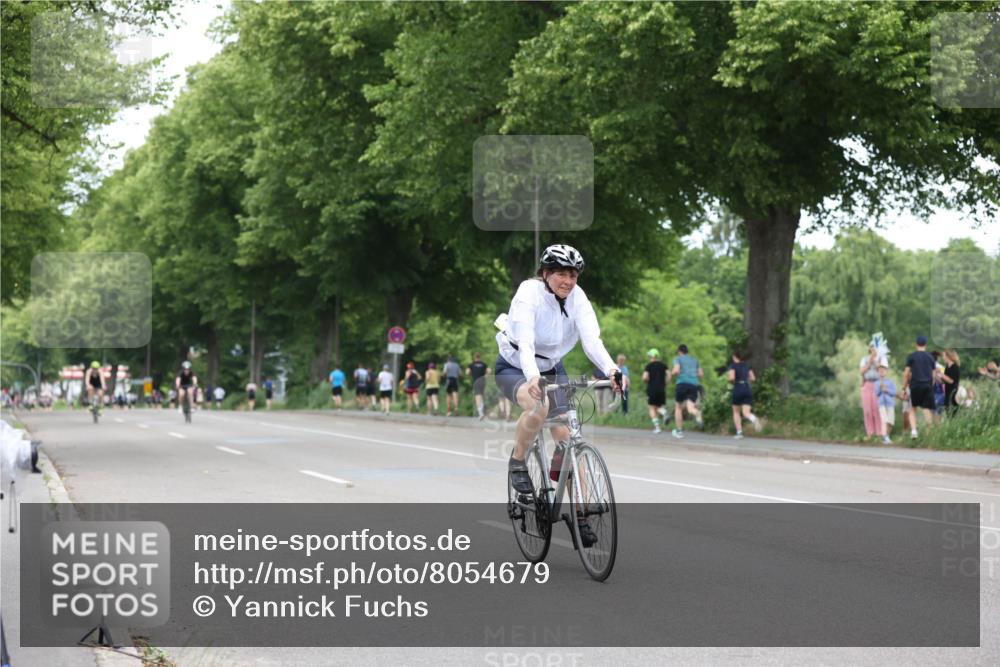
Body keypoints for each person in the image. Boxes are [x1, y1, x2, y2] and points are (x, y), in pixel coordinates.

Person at [495, 244, 621, 549]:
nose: (568, 280)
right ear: (546, 274)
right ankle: (517, 461)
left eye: (573, 274)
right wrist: (532, 377)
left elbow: (592, 340)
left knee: (567, 436)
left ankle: (580, 516)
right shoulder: (528, 293)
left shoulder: (578, 298)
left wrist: (612, 369)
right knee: (539, 407)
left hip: (552, 366)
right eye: (562, 274)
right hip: (515, 365)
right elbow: (525, 342)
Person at [902, 336, 936, 439]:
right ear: (925, 345)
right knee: (926, 409)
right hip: (927, 385)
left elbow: (906, 373)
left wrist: (904, 386)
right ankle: (929, 434)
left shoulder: (911, 356)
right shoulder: (931, 357)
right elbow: (933, 375)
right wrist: (931, 386)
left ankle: (914, 432)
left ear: (916, 344)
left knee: (912, 408)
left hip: (915, 385)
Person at [669, 344, 704, 438]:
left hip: (682, 384)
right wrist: (691, 374)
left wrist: (671, 374)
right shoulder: (695, 360)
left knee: (678, 407)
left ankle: (679, 431)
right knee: (690, 408)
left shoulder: (678, 359)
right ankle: (697, 413)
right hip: (693, 385)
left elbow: (676, 370)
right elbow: (701, 374)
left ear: (679, 351)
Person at [727, 351, 760, 439]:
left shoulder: (733, 366)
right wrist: (745, 380)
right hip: (747, 388)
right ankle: (754, 419)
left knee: (736, 411)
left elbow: (732, 378)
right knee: (746, 413)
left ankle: (739, 432)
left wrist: (729, 378)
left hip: (738, 388)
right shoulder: (747, 365)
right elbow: (753, 378)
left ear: (734, 357)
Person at [859, 343, 883, 439]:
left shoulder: (881, 359)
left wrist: (875, 361)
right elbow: (861, 372)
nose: (873, 349)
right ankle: (870, 433)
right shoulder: (864, 359)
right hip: (867, 383)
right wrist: (870, 362)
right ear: (869, 349)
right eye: (871, 347)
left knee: (876, 409)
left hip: (877, 383)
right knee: (867, 410)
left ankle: (879, 432)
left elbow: (882, 371)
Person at [642, 349, 668, 434]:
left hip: (652, 389)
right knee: (658, 406)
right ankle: (664, 412)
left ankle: (657, 427)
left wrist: (646, 380)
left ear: (651, 356)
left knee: (652, 407)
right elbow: (669, 374)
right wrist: (665, 382)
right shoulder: (663, 365)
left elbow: (645, 377)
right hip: (661, 389)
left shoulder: (649, 366)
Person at [874, 359, 897, 445]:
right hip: (881, 404)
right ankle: (884, 436)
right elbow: (877, 393)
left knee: (891, 422)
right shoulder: (876, 383)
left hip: (890, 403)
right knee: (884, 420)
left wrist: (887, 390)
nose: (882, 372)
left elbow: (894, 392)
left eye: (883, 370)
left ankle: (887, 436)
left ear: (886, 371)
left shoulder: (890, 382)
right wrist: (880, 388)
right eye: (880, 371)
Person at [467, 352, 491, 419]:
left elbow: (467, 372)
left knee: (477, 396)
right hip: (482, 381)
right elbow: (489, 370)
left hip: (476, 381)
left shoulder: (471, 364)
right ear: (480, 357)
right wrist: (486, 376)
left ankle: (480, 413)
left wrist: (470, 375)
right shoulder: (483, 364)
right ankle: (482, 410)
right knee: (482, 395)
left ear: (474, 357)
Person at [941, 349, 961, 417]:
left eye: (944, 355)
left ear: (948, 356)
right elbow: (944, 381)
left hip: (954, 393)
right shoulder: (947, 367)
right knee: (948, 412)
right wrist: (937, 375)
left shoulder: (955, 367)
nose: (943, 357)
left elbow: (951, 381)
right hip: (947, 392)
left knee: (953, 413)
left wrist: (942, 375)